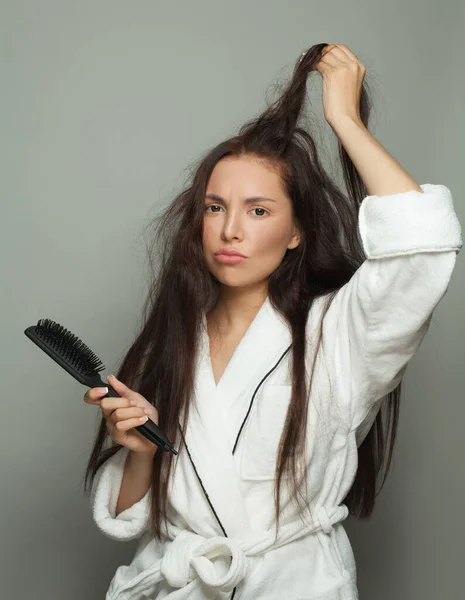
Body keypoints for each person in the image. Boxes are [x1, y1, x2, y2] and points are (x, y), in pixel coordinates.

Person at [83, 43, 463, 599]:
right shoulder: (169, 342)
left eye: (258, 210)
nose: (230, 230)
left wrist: (345, 121)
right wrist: (139, 453)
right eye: (215, 207)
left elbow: (422, 252)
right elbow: (128, 518)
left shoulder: (338, 333)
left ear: (296, 231)